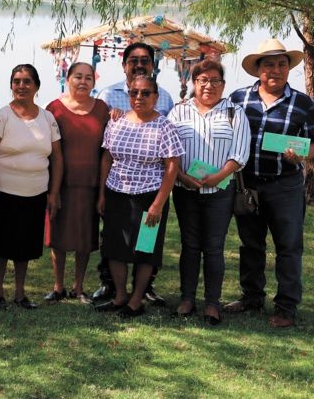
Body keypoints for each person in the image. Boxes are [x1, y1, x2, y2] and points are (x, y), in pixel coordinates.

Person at [225, 39, 314, 328]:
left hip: (285, 185)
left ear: (288, 68)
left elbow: (313, 145)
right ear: (258, 69)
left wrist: (301, 154)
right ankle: (251, 297)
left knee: (288, 246)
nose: (275, 70)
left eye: (281, 64)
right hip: (247, 183)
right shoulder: (238, 99)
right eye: (269, 65)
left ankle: (286, 306)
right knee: (251, 243)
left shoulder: (303, 103)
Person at [168, 59, 250, 325]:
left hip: (220, 192)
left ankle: (212, 303)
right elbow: (168, 150)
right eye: (203, 80)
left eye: (215, 80)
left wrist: (218, 177)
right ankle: (187, 299)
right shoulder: (178, 111)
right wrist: (182, 177)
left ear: (223, 85)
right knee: (190, 245)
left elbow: (239, 153)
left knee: (214, 248)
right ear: (194, 83)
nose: (208, 85)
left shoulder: (235, 113)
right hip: (185, 190)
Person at [95, 75, 183, 318]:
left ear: (156, 97)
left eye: (145, 93)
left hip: (149, 197)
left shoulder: (165, 126)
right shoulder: (117, 122)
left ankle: (136, 301)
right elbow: (107, 158)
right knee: (114, 248)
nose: (139, 97)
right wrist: (101, 194)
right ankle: (120, 296)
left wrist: (158, 204)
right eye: (134, 93)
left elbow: (172, 167)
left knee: (145, 250)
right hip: (116, 194)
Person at [0, 64, 62, 310]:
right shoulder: (2, 117)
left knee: (25, 246)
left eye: (27, 81)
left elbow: (57, 158)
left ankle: (19, 293)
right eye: (16, 81)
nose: (21, 86)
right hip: (3, 193)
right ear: (11, 85)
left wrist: (54, 192)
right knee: (0, 245)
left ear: (37, 86)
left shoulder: (48, 118)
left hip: (35, 194)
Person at [44, 62, 110, 304]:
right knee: (58, 237)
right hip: (60, 184)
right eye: (78, 77)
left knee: (84, 238)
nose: (83, 82)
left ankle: (78, 286)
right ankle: (58, 286)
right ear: (68, 78)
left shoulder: (102, 109)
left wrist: (102, 192)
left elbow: (107, 151)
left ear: (94, 82)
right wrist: (52, 190)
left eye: (88, 78)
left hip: (90, 184)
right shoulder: (54, 109)